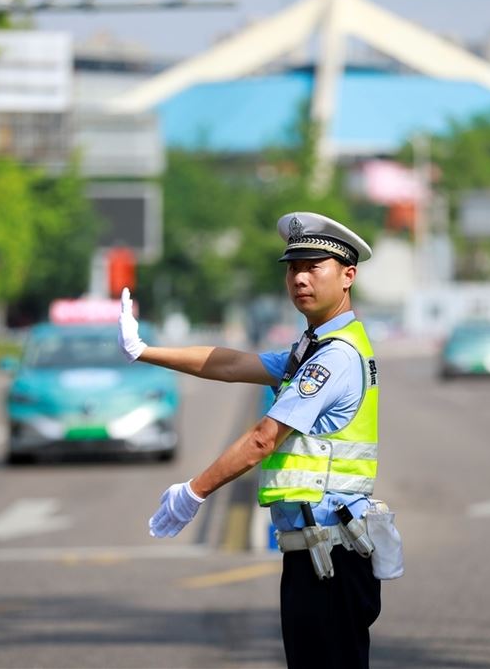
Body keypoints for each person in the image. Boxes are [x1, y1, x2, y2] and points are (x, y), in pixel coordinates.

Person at [118, 211, 383, 669]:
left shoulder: (334, 357)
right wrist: (145, 351)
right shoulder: (314, 346)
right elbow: (231, 364)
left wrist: (194, 492)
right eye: (292, 267)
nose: (299, 277)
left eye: (313, 266)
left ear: (347, 276)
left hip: (331, 555)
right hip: (318, 550)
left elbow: (264, 439)